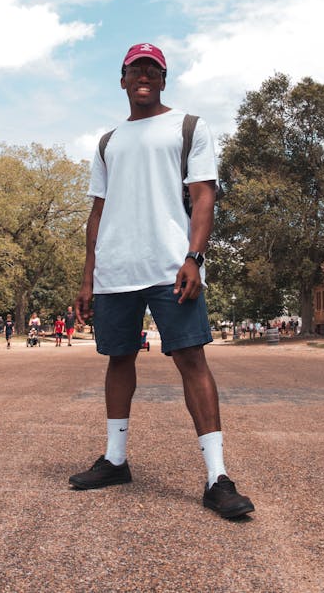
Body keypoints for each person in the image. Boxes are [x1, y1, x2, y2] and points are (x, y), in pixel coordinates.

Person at [71, 42, 254, 519]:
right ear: (123, 78)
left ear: (164, 79)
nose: (144, 76)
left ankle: (218, 478)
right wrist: (88, 278)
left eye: (153, 69)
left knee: (192, 359)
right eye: (136, 69)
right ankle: (115, 460)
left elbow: (203, 197)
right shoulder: (108, 141)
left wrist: (195, 257)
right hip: (116, 270)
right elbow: (97, 212)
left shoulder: (189, 126)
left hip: (171, 266)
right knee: (118, 359)